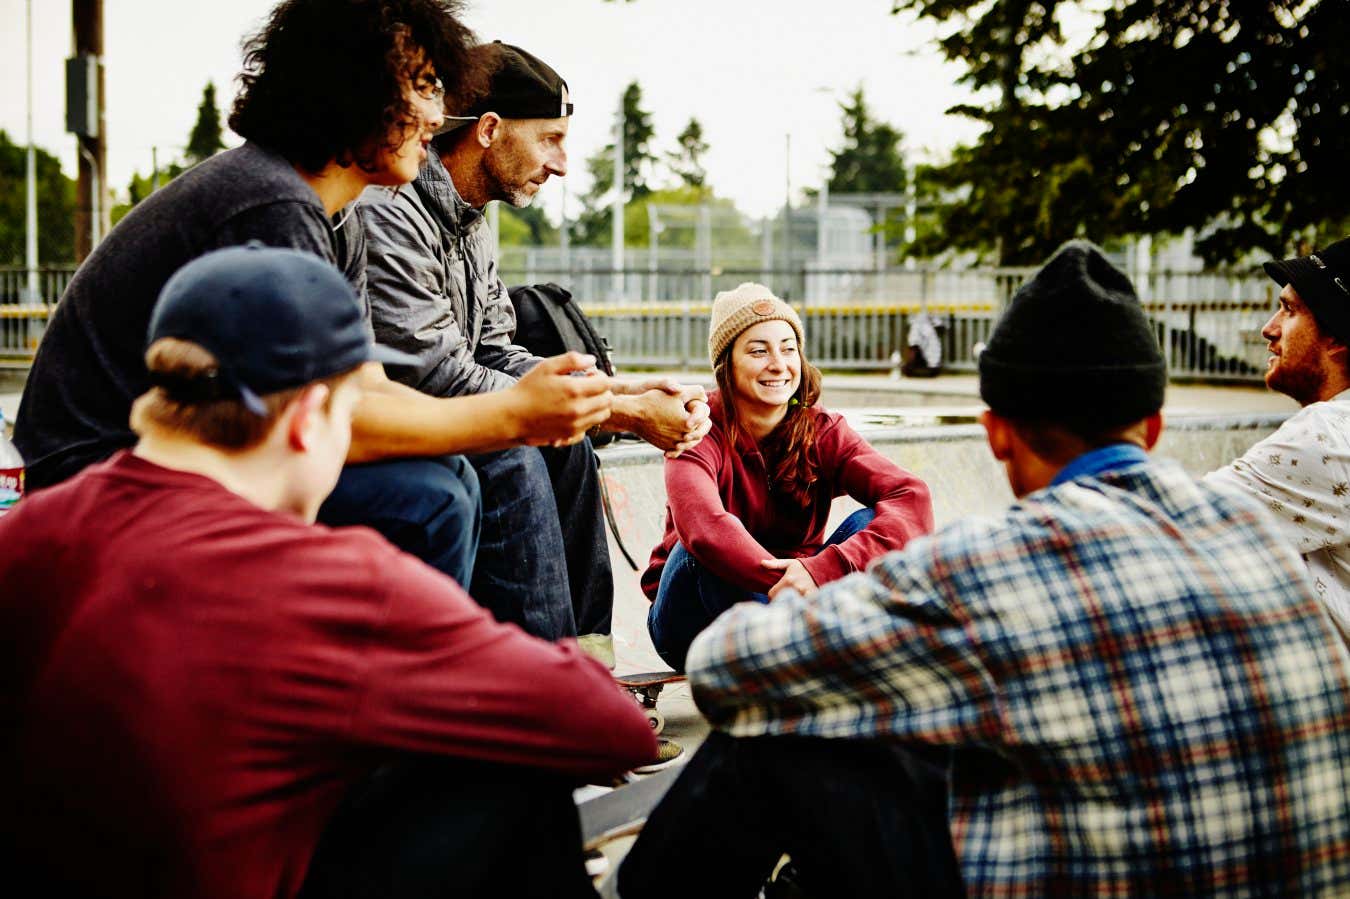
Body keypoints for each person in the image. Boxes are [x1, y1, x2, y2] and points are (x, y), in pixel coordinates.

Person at [610, 242, 1350, 898]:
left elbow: (725, 672)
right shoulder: (1269, 556)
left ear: (994, 433)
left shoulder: (984, 568)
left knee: (780, 735)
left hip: (1031, 853)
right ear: (1154, 426)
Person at [0, 245, 656, 899]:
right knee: (516, 774)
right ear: (311, 417)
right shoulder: (322, 578)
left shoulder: (25, 534)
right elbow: (608, 727)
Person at [13, 0, 612, 591]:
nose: (438, 116)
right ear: (356, 91)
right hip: (104, 478)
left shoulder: (334, 214)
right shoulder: (273, 205)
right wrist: (515, 416)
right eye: (427, 87)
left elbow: (360, 388)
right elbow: (325, 416)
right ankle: (408, 681)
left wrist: (550, 407)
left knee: (450, 476)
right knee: (428, 500)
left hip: (185, 461)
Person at [361, 41, 710, 650]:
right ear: (490, 130)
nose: (562, 164)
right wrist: (620, 411)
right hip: (390, 425)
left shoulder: (471, 221)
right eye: (550, 139)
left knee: (567, 447)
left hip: (435, 409)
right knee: (515, 452)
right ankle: (549, 703)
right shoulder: (390, 210)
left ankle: (589, 668)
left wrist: (625, 390)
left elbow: (495, 352)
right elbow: (436, 377)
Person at [639, 282, 935, 670]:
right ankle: (802, 652)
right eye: (759, 351)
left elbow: (911, 496)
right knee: (699, 551)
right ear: (726, 364)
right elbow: (704, 529)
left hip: (799, 606)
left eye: (788, 348)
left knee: (875, 521)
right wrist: (786, 587)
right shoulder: (695, 426)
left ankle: (806, 650)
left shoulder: (823, 430)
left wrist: (820, 570)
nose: (778, 364)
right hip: (692, 625)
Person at [1205, 236, 1350, 639]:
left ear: (1337, 337)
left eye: (1288, 310)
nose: (1268, 328)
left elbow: (1174, 520)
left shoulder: (1326, 435)